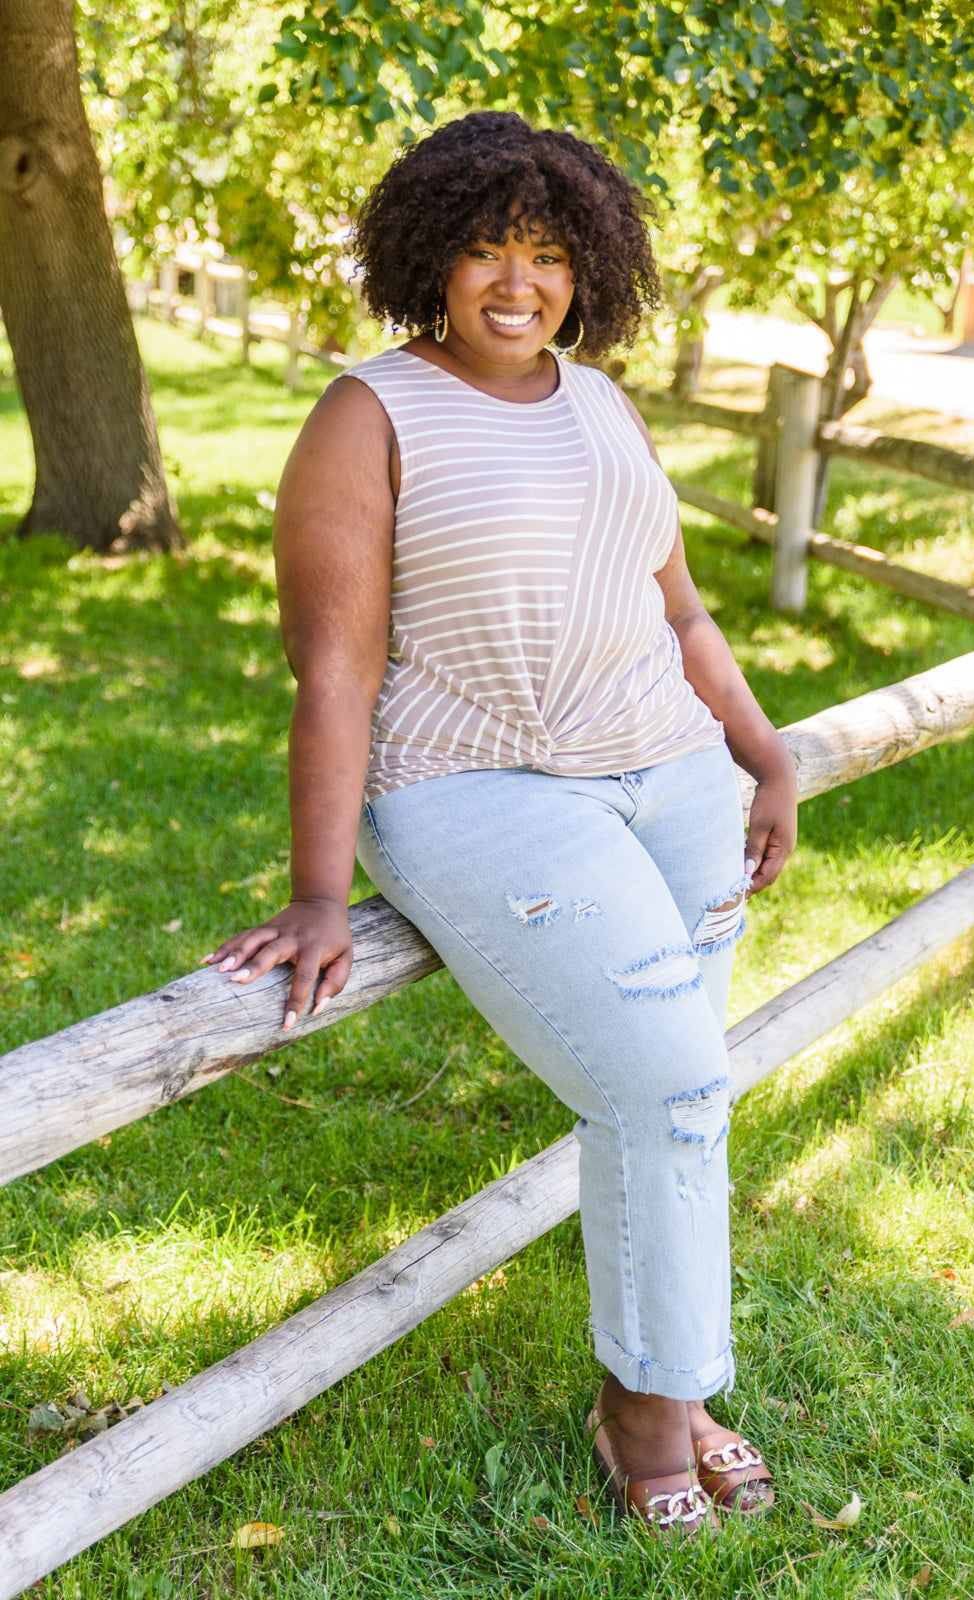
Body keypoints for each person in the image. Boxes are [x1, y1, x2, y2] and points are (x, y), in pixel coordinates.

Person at [204, 110, 797, 1539]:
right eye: (483, 249)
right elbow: (333, 667)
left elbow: (683, 608)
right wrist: (321, 892)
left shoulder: (601, 403)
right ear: (432, 260)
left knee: (668, 1094)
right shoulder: (370, 414)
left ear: (589, 265)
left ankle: (657, 1388)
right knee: (665, 1091)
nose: (516, 281)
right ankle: (657, 1416)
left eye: (544, 251)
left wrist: (763, 756)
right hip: (480, 789)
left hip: (670, 779)